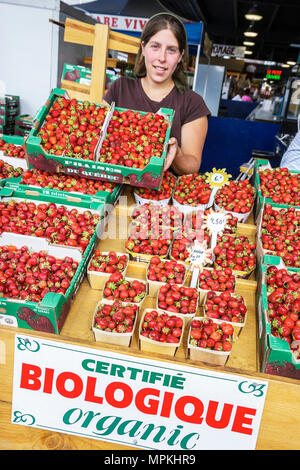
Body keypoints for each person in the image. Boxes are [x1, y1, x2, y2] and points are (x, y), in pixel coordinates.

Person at [102, 12, 211, 175]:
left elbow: (192, 166)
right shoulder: (120, 88)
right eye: (155, 46)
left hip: (162, 197)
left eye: (171, 50)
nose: (162, 57)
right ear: (143, 48)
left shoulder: (192, 103)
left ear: (181, 56)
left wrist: (176, 154)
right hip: (118, 191)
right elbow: (98, 137)